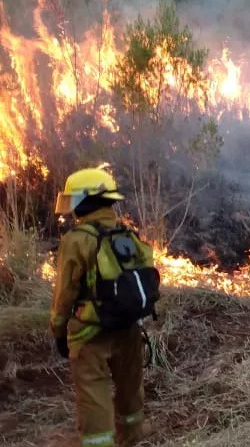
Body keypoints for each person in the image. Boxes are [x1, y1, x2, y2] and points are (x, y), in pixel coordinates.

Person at [51, 168, 157, 447]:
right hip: (129, 328)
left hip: (89, 334)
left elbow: (65, 294)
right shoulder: (128, 234)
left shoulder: (76, 240)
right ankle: (132, 438)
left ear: (85, 201)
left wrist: (59, 331)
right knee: (130, 390)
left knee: (93, 395)